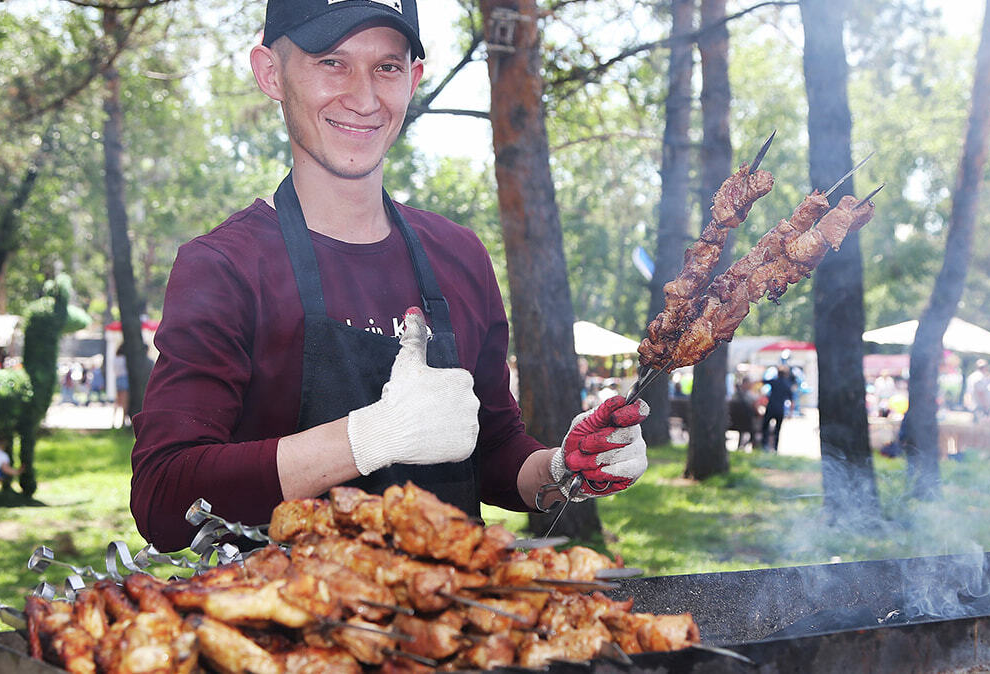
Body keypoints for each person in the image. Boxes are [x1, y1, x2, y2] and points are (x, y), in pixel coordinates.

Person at [130, 0, 648, 552]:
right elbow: (164, 499)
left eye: (387, 67)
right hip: (289, 626)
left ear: (413, 80)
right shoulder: (227, 265)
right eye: (332, 61)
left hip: (454, 623)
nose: (364, 97)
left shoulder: (460, 256)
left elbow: (491, 448)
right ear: (270, 73)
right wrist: (369, 437)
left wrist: (560, 468)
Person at [761, 366, 795, 452]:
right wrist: (791, 413)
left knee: (765, 427)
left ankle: (764, 445)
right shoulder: (787, 385)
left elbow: (763, 381)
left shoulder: (774, 382)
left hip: (771, 407)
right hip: (780, 410)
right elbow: (792, 400)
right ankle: (775, 447)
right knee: (777, 430)